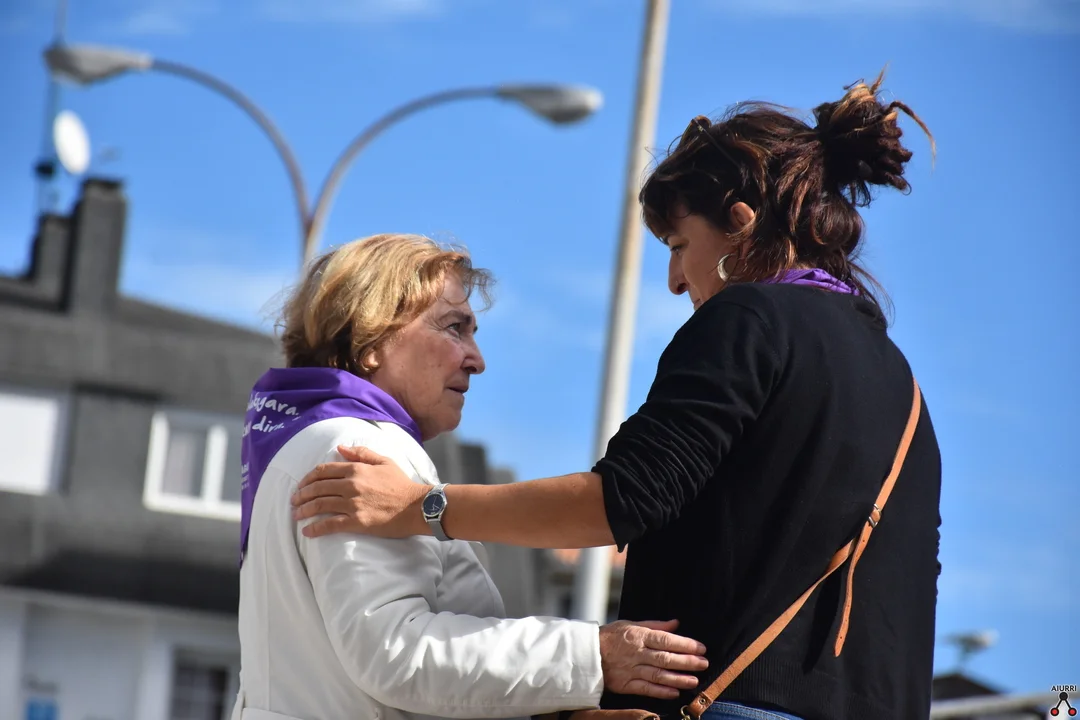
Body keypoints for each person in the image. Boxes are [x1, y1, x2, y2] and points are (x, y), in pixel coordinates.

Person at [290, 72, 943, 720]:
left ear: (741, 225)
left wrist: (420, 507)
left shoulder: (748, 319)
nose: (674, 279)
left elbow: (623, 499)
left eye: (680, 245)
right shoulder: (900, 381)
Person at [230, 233, 710, 720]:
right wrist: (594, 656)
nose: (477, 360)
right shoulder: (360, 448)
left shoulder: (307, 439)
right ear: (371, 340)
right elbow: (396, 654)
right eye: (454, 327)